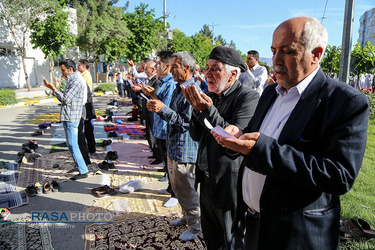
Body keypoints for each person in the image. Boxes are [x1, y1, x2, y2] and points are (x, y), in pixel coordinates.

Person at [212, 17, 369, 249]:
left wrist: (262, 149)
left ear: (316, 54)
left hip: (296, 236)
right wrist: (239, 135)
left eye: (287, 51)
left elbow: (339, 175)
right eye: (274, 50)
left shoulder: (345, 102)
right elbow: (258, 138)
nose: (275, 61)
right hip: (254, 224)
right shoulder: (270, 94)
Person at [183, 46, 259, 249]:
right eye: (206, 68)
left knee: (231, 239)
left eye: (215, 69)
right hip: (206, 180)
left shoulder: (247, 97)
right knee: (212, 237)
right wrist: (195, 109)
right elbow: (196, 135)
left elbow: (233, 138)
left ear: (233, 74)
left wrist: (206, 110)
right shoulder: (211, 95)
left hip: (228, 184)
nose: (207, 74)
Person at [146, 51, 202, 241]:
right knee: (178, 189)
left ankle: (196, 226)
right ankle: (187, 217)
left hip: (185, 150)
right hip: (174, 148)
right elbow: (173, 116)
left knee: (187, 190)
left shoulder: (193, 89)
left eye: (175, 66)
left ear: (187, 68)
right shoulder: (180, 87)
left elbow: (186, 123)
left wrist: (162, 109)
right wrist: (160, 109)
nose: (171, 69)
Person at [142, 51, 178, 207]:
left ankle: (176, 194)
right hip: (161, 128)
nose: (156, 67)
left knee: (172, 165)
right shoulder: (163, 81)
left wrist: (153, 97)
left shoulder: (171, 83)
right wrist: (152, 95)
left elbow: (166, 108)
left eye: (158, 64)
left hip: (167, 129)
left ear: (167, 66)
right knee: (167, 163)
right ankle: (171, 188)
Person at [44, 59, 89, 180]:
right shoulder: (72, 79)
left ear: (70, 69)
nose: (62, 73)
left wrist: (53, 89)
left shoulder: (76, 81)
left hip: (71, 117)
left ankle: (83, 170)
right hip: (69, 116)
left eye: (63, 70)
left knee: (73, 145)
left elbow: (65, 99)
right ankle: (81, 167)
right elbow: (68, 96)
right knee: (71, 145)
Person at [141, 61, 162, 165]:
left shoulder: (157, 81)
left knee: (153, 134)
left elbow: (156, 96)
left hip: (154, 112)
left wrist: (149, 93)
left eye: (146, 69)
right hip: (149, 111)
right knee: (149, 133)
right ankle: (155, 153)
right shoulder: (152, 80)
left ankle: (159, 155)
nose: (145, 71)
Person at [78, 59, 97, 155]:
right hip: (87, 102)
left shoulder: (84, 76)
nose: (78, 67)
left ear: (84, 66)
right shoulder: (83, 75)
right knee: (88, 127)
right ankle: (91, 147)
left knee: (88, 128)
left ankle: (91, 148)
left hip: (86, 103)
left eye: (79, 65)